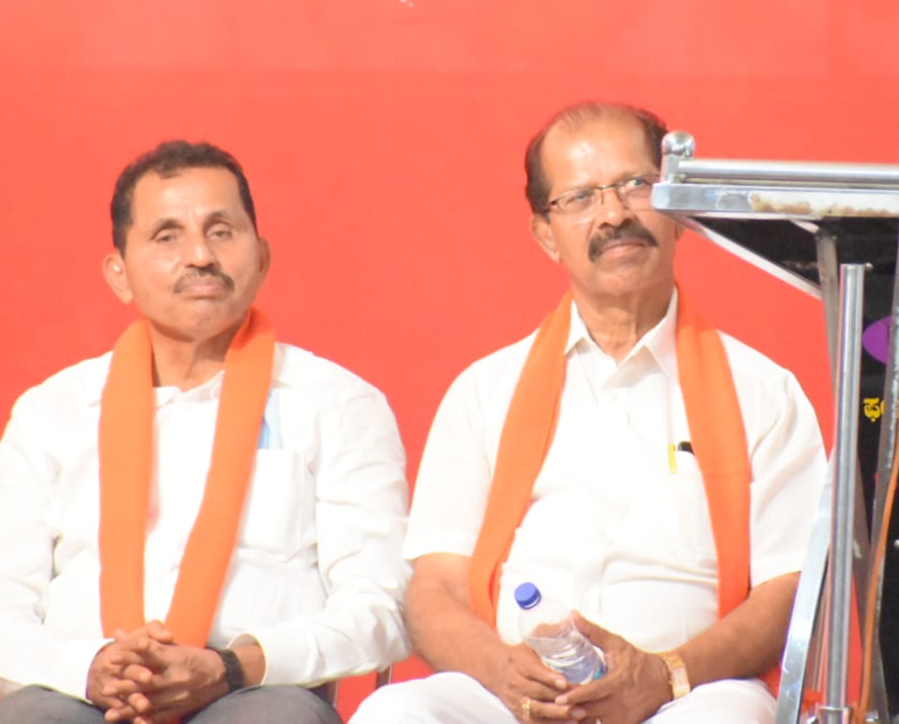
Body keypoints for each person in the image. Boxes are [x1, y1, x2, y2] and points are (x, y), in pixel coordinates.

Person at [352, 102, 826, 724]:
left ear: (680, 209)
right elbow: (435, 587)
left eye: (636, 184)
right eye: (580, 198)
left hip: (689, 692)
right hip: (512, 693)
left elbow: (789, 588)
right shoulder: (485, 391)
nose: (614, 214)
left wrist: (665, 675)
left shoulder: (764, 393)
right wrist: (503, 672)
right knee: (394, 713)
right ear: (546, 235)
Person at [0, 140, 411, 724]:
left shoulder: (338, 404)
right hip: (78, 693)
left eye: (221, 231)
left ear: (262, 258)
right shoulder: (53, 412)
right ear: (119, 275)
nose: (200, 255)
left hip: (255, 693)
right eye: (167, 236)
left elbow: (381, 607)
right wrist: (91, 669)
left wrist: (233, 666)